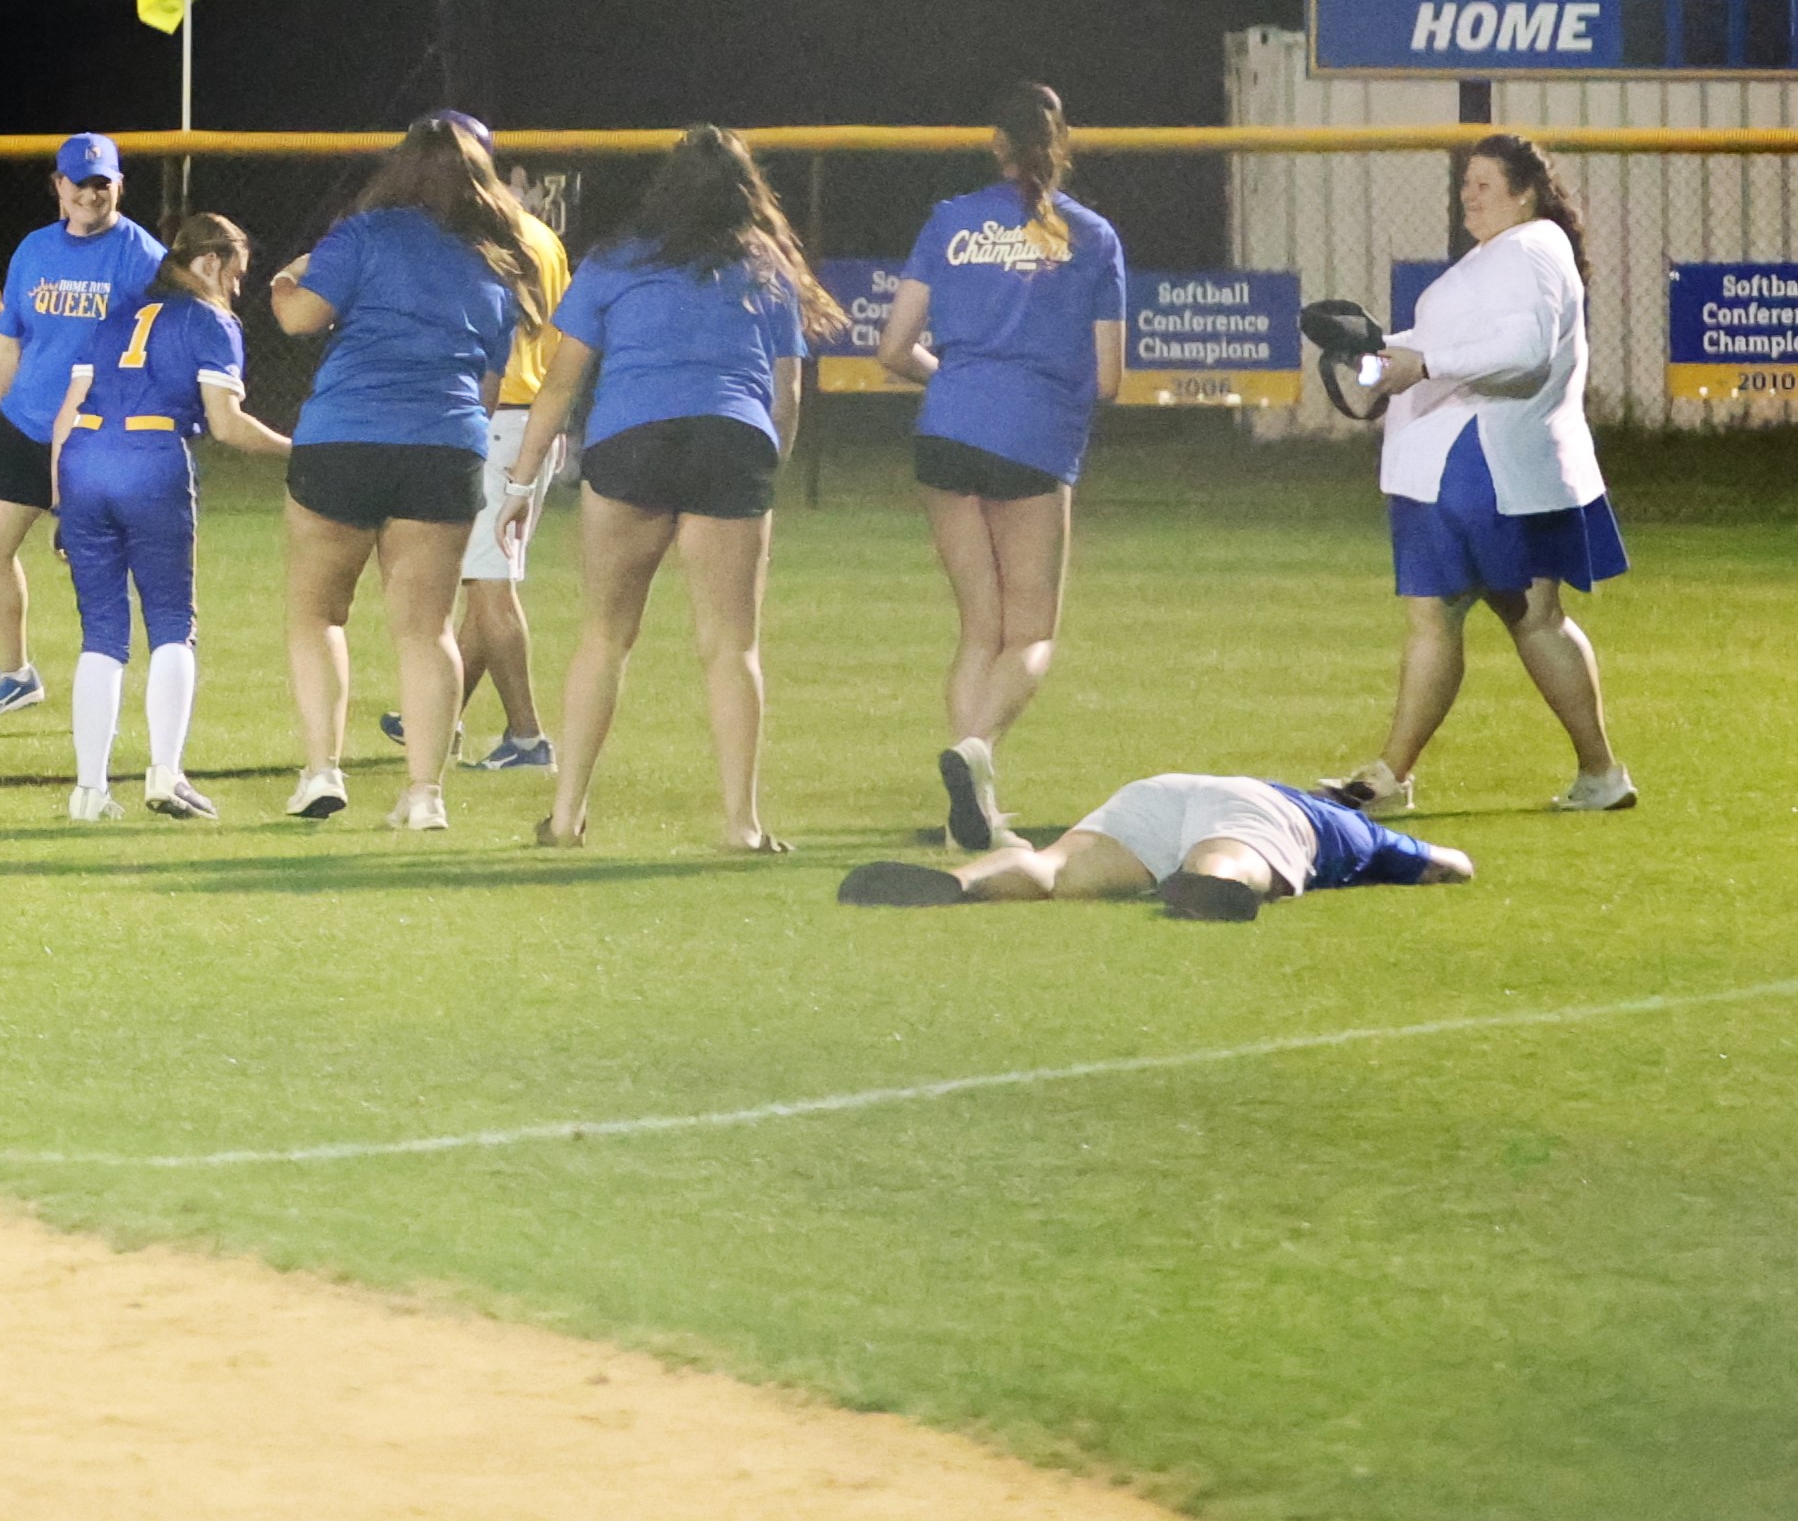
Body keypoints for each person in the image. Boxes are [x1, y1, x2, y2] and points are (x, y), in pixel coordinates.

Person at [490, 125, 823, 855]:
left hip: (632, 442)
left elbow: (561, 385)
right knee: (731, 648)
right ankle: (741, 826)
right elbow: (787, 393)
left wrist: (520, 481)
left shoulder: (615, 260)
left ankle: (566, 819)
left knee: (604, 637)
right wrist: (765, 469)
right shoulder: (764, 265)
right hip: (730, 442)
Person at [1328, 130, 1637, 817]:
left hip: (1478, 466)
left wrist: (1421, 364)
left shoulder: (1529, 248)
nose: (1468, 196)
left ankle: (1397, 779)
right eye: (1465, 184)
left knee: (1491, 618)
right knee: (1499, 618)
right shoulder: (1505, 253)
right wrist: (1373, 359)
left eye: (1484, 184)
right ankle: (1592, 774)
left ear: (1524, 193)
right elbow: (1445, 347)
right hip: (1472, 466)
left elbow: (1524, 349)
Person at [874, 81, 1128, 850]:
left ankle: (973, 820)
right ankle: (974, 751)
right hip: (1034, 437)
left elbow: (893, 348)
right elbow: (1109, 379)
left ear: (997, 145)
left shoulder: (949, 219)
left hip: (946, 428)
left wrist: (953, 378)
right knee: (1031, 634)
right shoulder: (1093, 236)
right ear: (1062, 145)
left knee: (979, 630)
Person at [270, 114, 537, 829]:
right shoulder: (495, 259)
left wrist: (284, 280)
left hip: (343, 438)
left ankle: (322, 771)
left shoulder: (363, 234)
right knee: (427, 630)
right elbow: (487, 389)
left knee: (318, 615)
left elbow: (299, 319)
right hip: (444, 445)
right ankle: (424, 795)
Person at [45, 210, 287, 821]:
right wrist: (299, 450)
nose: (236, 288)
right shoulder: (208, 320)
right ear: (208, 261)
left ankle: (89, 791)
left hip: (83, 459)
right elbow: (226, 424)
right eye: (234, 274)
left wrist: (61, 502)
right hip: (150, 457)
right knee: (172, 622)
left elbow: (67, 412)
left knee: (101, 632)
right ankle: (165, 773)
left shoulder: (116, 314)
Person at [0, 132, 159, 734]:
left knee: (93, 566)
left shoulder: (143, 256)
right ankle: (14, 675)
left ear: (119, 185)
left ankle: (110, 692)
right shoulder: (35, 248)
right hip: (26, 420)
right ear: (58, 186)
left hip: (95, 433)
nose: (90, 194)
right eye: (79, 183)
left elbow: (156, 349)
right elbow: (9, 341)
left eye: (101, 183)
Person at [840, 774, 1470, 921]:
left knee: (1054, 866)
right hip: (1260, 811)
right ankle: (1211, 882)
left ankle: (961, 881)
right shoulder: (1353, 829)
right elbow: (1453, 865)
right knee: (1228, 855)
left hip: (1158, 789)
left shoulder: (1316, 807)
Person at [439, 114, 569, 774]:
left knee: (489, 584)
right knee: (485, 578)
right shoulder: (541, 234)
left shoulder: (476, 235)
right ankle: (438, 714)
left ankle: (527, 737)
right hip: (538, 418)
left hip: (498, 418)